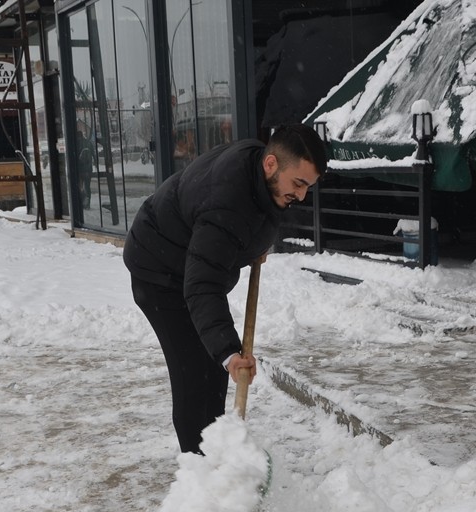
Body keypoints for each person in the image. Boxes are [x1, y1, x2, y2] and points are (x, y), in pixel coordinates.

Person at [123, 124, 328, 454]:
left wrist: (250, 247)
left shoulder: (257, 167)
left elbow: (241, 226)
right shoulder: (228, 202)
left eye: (308, 187)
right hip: (159, 273)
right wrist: (230, 353)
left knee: (213, 370)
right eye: (299, 183)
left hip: (188, 263)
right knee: (193, 374)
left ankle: (215, 452)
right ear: (271, 163)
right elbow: (203, 284)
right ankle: (200, 474)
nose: (302, 195)